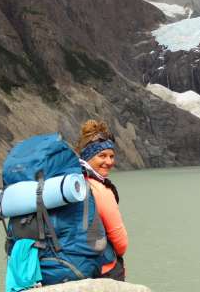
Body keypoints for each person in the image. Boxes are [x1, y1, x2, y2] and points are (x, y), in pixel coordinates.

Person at [76, 119, 128, 281]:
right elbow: (121, 242)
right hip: (101, 269)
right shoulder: (100, 189)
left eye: (112, 156)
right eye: (102, 156)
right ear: (88, 157)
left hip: (72, 265)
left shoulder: (71, 184)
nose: (109, 162)